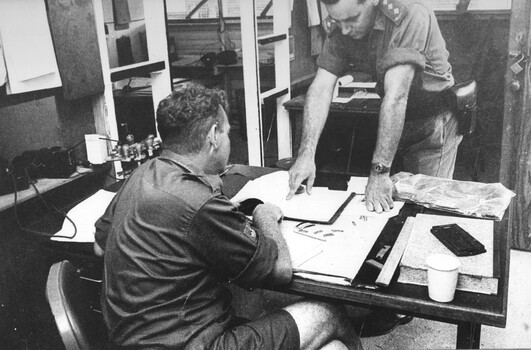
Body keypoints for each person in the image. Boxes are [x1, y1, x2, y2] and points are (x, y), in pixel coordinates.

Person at [93, 83, 362, 350]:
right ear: (214, 135)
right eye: (228, 133)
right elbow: (280, 271)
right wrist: (264, 215)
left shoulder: (142, 174)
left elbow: (98, 246)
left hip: (130, 341)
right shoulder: (200, 202)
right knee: (329, 313)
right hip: (196, 344)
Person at [287, 0, 462, 214]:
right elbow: (321, 88)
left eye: (352, 19)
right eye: (338, 21)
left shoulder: (410, 13)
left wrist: (379, 173)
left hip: (431, 125)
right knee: (391, 211)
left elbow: (397, 96)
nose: (344, 29)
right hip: (395, 122)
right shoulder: (343, 21)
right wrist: (306, 154)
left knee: (428, 211)